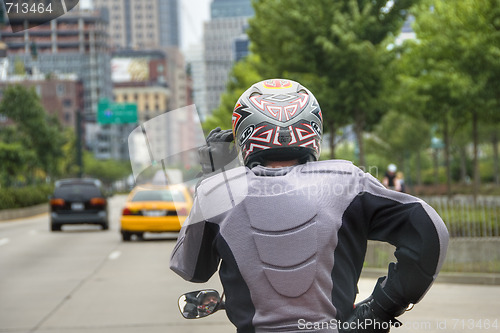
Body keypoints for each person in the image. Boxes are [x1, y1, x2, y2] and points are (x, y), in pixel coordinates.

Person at [170, 79, 449, 332]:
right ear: (312, 128)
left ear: (244, 132)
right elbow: (431, 230)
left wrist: (213, 177)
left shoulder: (217, 191)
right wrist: (379, 310)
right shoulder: (347, 181)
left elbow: (192, 269)